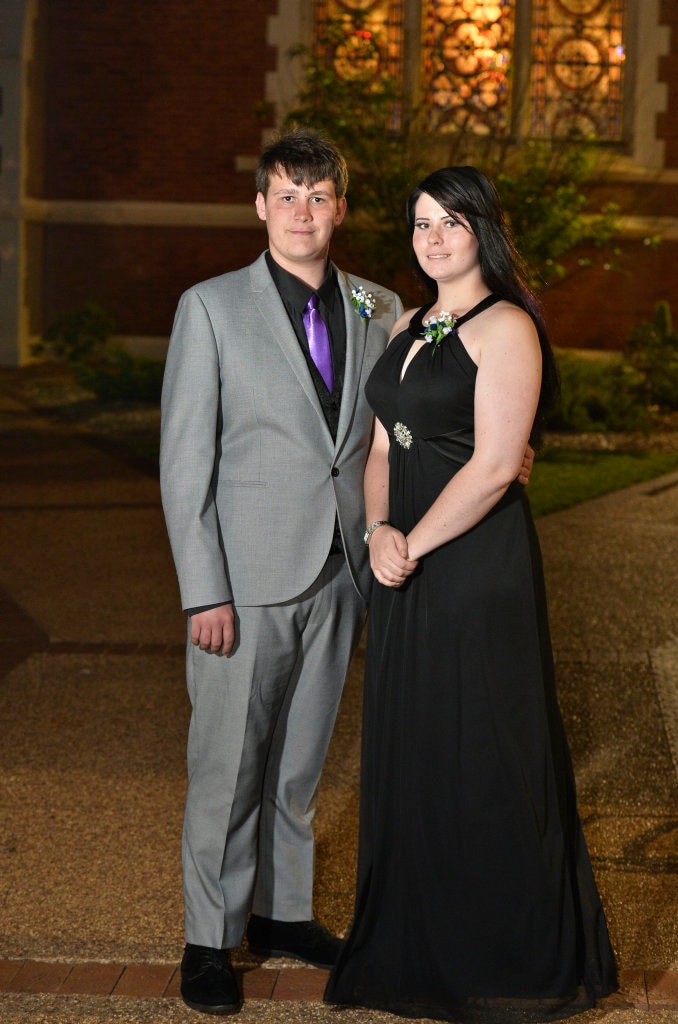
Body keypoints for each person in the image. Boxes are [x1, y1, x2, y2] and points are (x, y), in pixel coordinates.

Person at [325, 166, 618, 1023]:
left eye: (450, 221)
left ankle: (505, 959)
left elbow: (495, 466)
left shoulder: (509, 328)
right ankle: (421, 947)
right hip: (404, 561)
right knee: (417, 751)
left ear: (482, 228)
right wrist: (380, 530)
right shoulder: (407, 322)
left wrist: (410, 542)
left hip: (473, 565)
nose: (434, 237)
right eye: (420, 223)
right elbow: (380, 444)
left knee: (484, 755)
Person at [159, 127, 404, 1014]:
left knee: (301, 764)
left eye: (321, 196)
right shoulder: (211, 308)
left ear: (341, 208)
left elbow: (406, 418)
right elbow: (185, 465)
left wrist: (504, 440)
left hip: (341, 570)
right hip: (245, 581)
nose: (305, 212)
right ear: (261, 206)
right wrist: (205, 590)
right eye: (288, 196)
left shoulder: (380, 306)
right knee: (228, 766)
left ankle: (285, 914)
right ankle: (209, 940)